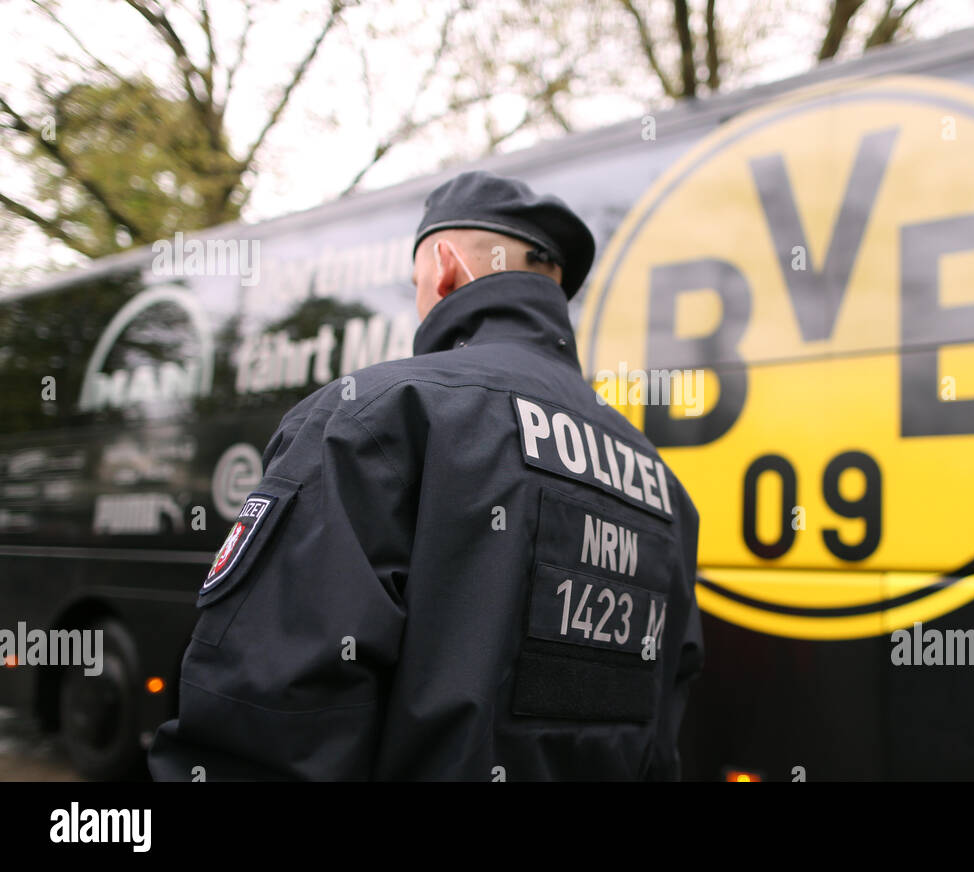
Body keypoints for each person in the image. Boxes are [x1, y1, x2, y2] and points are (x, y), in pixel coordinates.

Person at [148, 170, 704, 781]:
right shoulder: (665, 492)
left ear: (443, 268)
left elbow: (268, 715)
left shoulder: (375, 416)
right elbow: (659, 737)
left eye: (417, 283)